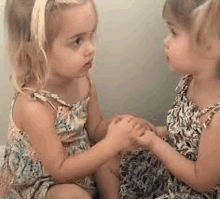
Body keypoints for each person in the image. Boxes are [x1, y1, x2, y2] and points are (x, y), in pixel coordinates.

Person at [0, 0, 148, 198]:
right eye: (77, 41)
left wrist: (121, 126)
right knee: (70, 195)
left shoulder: (83, 82)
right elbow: (60, 170)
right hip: (43, 184)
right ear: (37, 53)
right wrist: (111, 144)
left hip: (80, 166)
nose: (91, 48)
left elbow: (95, 130)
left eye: (92, 34)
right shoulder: (33, 105)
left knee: (111, 158)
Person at [119, 0, 220, 198]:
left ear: (209, 46)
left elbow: (202, 181)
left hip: (188, 190)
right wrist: (155, 132)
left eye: (173, 32)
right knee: (111, 158)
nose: (166, 41)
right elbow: (184, 135)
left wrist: (154, 144)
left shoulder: (217, 118)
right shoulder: (190, 80)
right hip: (169, 166)